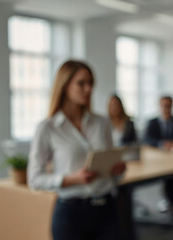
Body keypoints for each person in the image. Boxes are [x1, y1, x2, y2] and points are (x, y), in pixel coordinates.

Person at [28, 60, 126, 240]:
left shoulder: (102, 123)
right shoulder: (47, 128)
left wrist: (117, 171)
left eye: (90, 83)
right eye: (81, 83)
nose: (88, 89)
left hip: (106, 210)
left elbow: (113, 172)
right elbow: (34, 179)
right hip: (70, 213)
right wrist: (71, 179)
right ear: (65, 86)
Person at [143, 96, 173, 216]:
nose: (166, 108)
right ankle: (169, 202)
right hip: (157, 160)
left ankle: (171, 203)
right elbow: (147, 139)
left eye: (169, 105)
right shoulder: (153, 122)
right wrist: (162, 144)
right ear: (159, 106)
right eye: (164, 105)